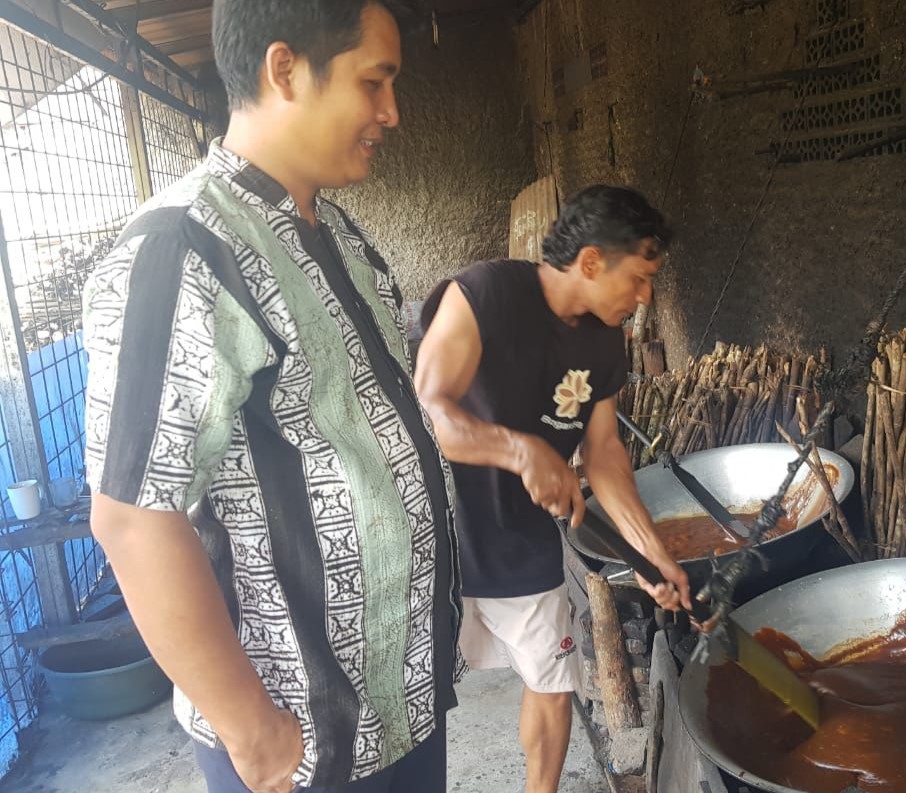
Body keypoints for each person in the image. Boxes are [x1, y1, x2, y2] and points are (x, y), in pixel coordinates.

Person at [83, 2, 461, 792]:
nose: (391, 113)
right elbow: (131, 514)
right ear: (284, 69)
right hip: (305, 742)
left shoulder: (332, 229)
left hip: (403, 708)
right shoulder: (180, 249)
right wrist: (253, 734)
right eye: (374, 82)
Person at [415, 185, 691, 793]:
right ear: (591, 261)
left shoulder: (603, 340)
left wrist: (649, 554)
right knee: (419, 695)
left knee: (552, 680)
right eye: (640, 278)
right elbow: (429, 410)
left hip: (525, 538)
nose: (645, 297)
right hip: (439, 534)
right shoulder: (484, 293)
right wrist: (522, 450)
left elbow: (605, 454)